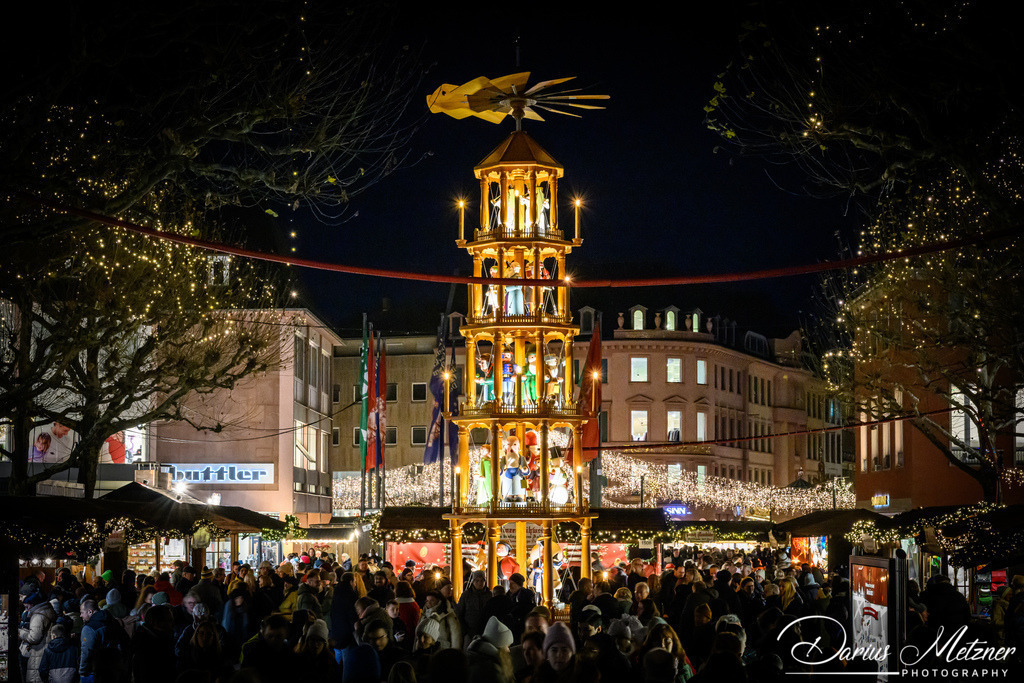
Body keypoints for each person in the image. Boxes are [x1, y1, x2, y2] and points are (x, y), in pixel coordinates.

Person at [130, 603, 176, 683]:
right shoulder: (144, 646)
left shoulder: (162, 638)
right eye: (168, 620)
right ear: (156, 622)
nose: (172, 624)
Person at [20, 591, 57, 683]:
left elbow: (34, 637)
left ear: (33, 605)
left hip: (38, 652)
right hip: (45, 649)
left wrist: (21, 633)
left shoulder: (38, 616)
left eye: (27, 607)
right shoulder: (47, 610)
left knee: (35, 678)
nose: (27, 610)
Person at [456, 571, 491, 644]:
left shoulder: (489, 595)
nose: (480, 583)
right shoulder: (466, 595)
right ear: (473, 581)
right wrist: (465, 630)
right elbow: (460, 613)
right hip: (469, 631)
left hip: (486, 630)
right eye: (477, 581)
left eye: (482, 580)